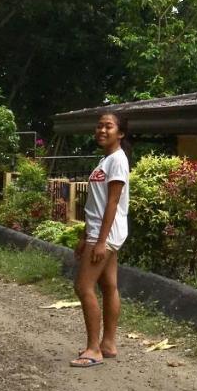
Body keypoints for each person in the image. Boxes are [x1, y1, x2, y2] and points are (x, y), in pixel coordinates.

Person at [70, 111, 130, 368]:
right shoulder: (105, 160)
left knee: (83, 287)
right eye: (99, 126)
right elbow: (96, 203)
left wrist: (100, 241)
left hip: (105, 235)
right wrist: (85, 236)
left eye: (108, 126)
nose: (102, 130)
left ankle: (93, 349)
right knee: (108, 287)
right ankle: (108, 344)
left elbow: (113, 203)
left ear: (121, 133)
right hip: (99, 233)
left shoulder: (117, 160)